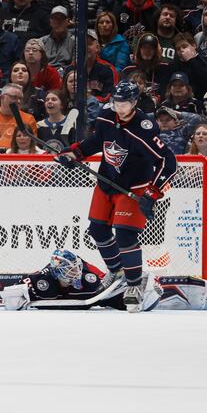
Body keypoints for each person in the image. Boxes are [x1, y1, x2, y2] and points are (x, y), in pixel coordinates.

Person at [56, 80, 178, 312]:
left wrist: (152, 192)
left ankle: (134, 284)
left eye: (124, 103)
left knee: (124, 236)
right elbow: (96, 142)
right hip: (106, 182)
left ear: (133, 103)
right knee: (97, 229)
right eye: (116, 102)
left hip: (134, 187)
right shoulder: (105, 116)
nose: (119, 107)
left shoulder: (144, 126)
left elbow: (167, 161)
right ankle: (117, 271)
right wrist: (75, 153)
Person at [0, 249, 161, 311]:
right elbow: (12, 295)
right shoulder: (42, 280)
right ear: (58, 270)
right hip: (61, 296)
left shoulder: (88, 278)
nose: (76, 271)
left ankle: (146, 291)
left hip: (88, 298)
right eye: (71, 268)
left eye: (77, 267)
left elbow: (106, 285)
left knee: (124, 300)